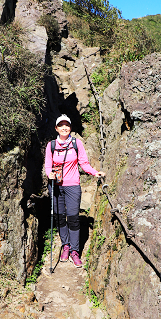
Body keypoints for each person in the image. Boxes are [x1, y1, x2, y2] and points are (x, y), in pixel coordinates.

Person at [44, 114, 105, 267]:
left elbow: (84, 163)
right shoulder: (51, 145)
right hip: (56, 186)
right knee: (59, 217)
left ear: (70, 127)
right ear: (56, 128)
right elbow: (47, 165)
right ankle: (65, 245)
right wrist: (49, 174)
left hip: (72, 186)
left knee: (73, 218)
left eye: (67, 125)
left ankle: (74, 251)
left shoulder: (76, 143)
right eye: (61, 125)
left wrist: (94, 172)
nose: (64, 127)